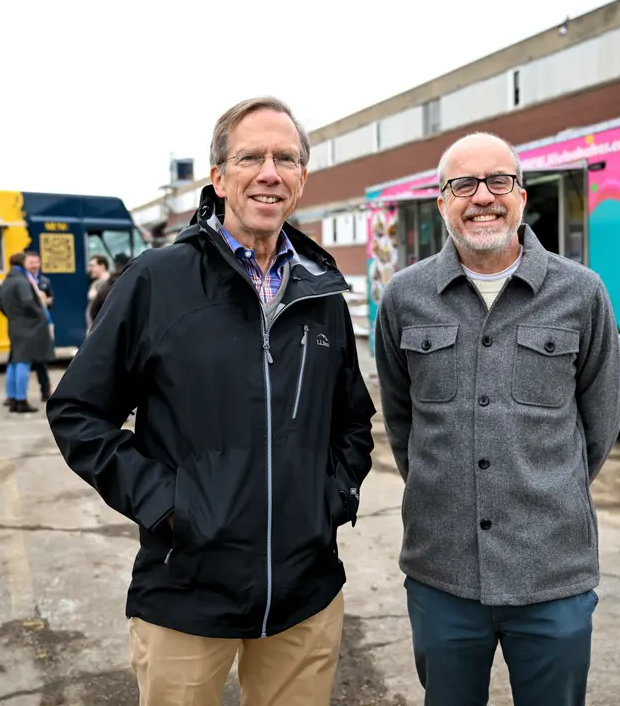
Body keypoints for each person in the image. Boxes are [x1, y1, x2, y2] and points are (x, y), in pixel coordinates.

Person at [46, 96, 377, 705]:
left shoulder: (321, 291)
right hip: (186, 591)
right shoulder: (157, 280)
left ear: (302, 179)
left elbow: (353, 419)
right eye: (251, 157)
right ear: (219, 178)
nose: (269, 172)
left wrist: (330, 498)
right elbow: (77, 412)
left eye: (286, 159)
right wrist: (170, 506)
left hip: (305, 596)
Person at [373, 132, 620, 706]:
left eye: (498, 181)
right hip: (443, 573)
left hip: (552, 573)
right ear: (442, 201)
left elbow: (599, 424)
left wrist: (544, 487)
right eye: (463, 184)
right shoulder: (405, 298)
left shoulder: (581, 293)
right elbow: (401, 422)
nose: (482, 196)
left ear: (521, 194)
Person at [0, 252, 55, 414]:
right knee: (23, 361)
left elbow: (1, 305)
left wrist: (13, 317)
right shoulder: (22, 281)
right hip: (29, 327)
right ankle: (21, 400)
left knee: (14, 361)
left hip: (14, 325)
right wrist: (40, 315)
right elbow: (28, 302)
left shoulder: (7, 281)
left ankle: (12, 397)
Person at [23, 250, 55, 401]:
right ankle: (17, 396)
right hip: (28, 325)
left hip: (43, 324)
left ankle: (46, 392)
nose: (35, 265)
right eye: (31, 262)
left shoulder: (45, 281)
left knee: (42, 360)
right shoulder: (23, 281)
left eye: (37, 262)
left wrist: (47, 301)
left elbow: (51, 301)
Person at [85, 254, 110, 331]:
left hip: (99, 329)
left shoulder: (105, 283)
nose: (90, 269)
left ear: (102, 266)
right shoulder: (96, 283)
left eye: (92, 266)